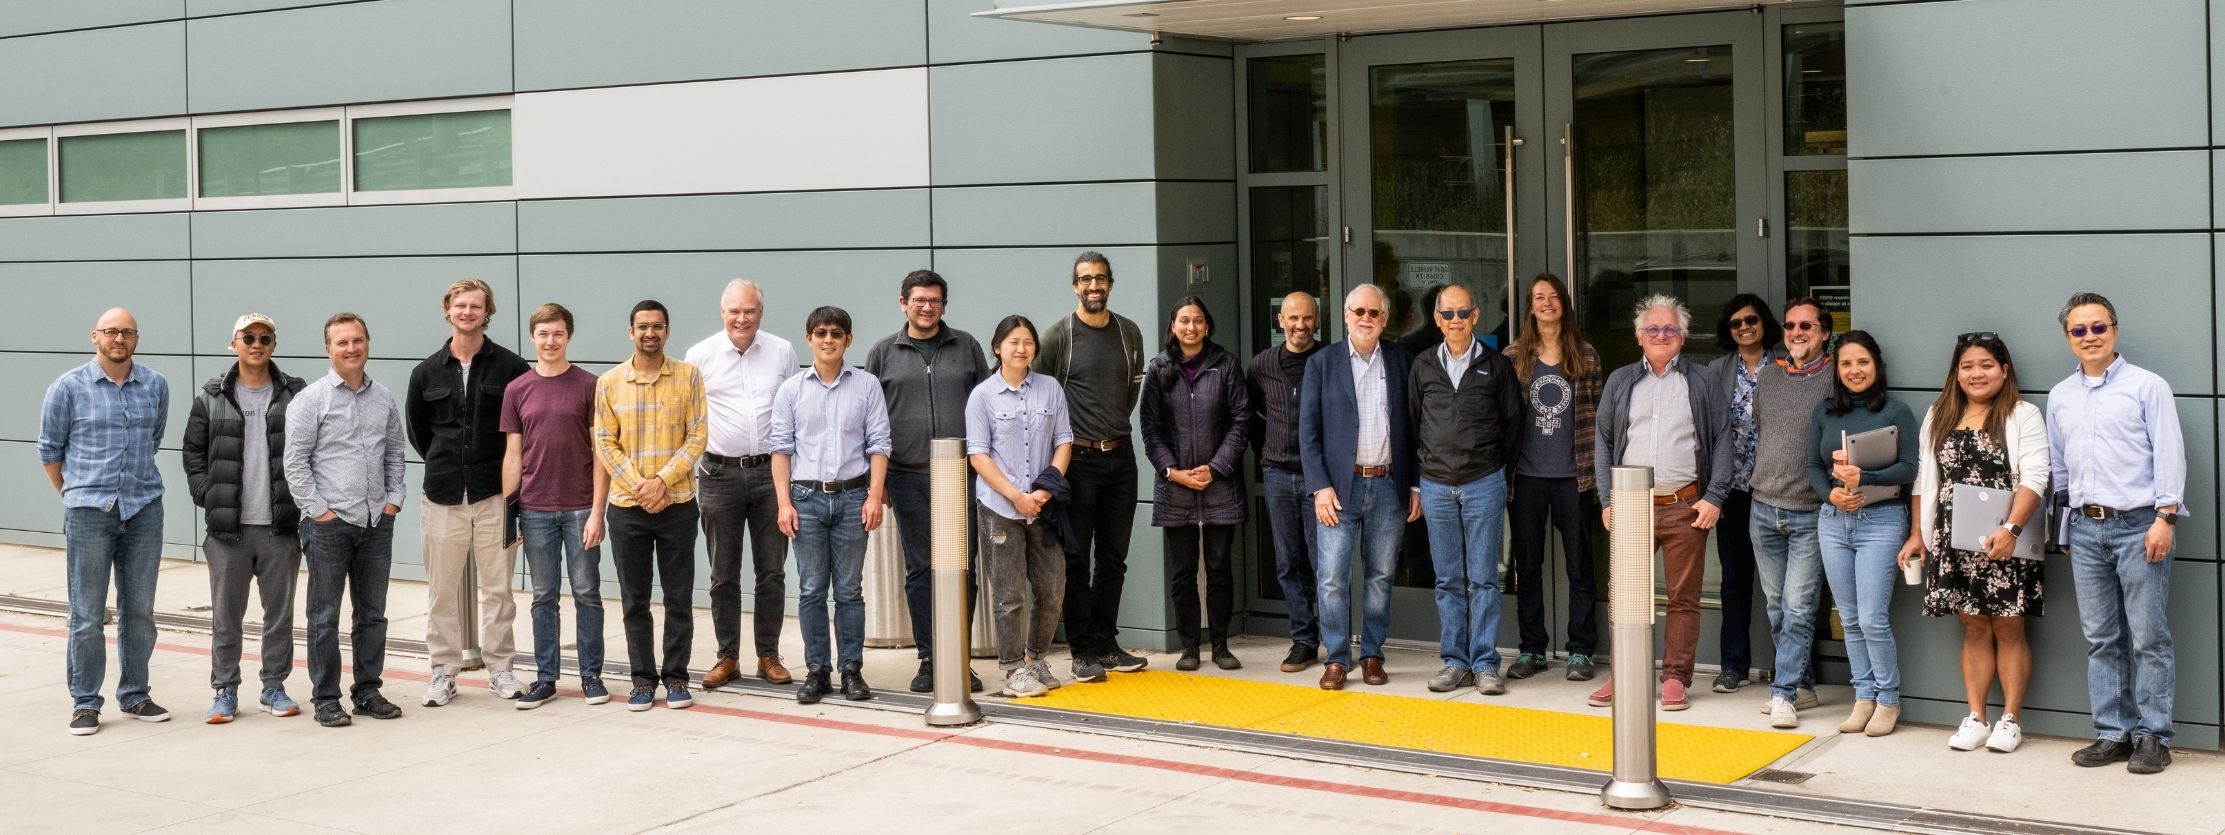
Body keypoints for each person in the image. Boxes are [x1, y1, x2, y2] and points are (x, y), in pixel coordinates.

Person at [2048, 292, 2185, 775]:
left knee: (2149, 638)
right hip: (2085, 528)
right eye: (2079, 330)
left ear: (2115, 330)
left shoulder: (2148, 387)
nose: (2090, 337)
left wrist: (2165, 518)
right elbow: (2060, 470)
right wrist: (2064, 527)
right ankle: (2113, 733)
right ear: (2068, 338)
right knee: (2101, 638)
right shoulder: (2060, 395)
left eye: (2098, 327)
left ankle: (2153, 737)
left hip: (2139, 525)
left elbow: (2169, 453)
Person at [1903, 332, 2047, 753]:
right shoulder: (1940, 414)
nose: (1976, 373)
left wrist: (2012, 529)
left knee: (2009, 625)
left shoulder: (2023, 414)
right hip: (1954, 538)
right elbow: (1924, 480)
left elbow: (2036, 476)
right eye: (1967, 366)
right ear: (1956, 373)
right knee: (1972, 625)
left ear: (2004, 371)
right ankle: (1977, 717)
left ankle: (2010, 720)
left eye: (1986, 364)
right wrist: (1918, 534)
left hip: (2007, 536)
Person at [1586, 295, 1731, 712]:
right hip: (1631, 504)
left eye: (1670, 329)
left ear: (1682, 338)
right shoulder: (1620, 381)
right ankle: (1626, 672)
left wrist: (1714, 496)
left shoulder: (1701, 381)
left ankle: (1675, 678)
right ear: (1639, 338)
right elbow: (1604, 442)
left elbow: (1722, 439)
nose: (1662, 335)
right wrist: (1607, 498)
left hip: (1685, 503)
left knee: (1684, 596)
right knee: (1624, 593)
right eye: (1653, 329)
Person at [41, 308, 171, 736]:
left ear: (136, 338)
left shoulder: (155, 385)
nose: (120, 339)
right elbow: (50, 451)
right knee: (86, 614)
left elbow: (154, 440)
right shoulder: (67, 388)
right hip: (89, 514)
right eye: (112, 332)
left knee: (140, 611)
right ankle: (85, 701)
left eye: (128, 332)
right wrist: (77, 494)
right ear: (95, 336)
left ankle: (134, 694)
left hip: (143, 509)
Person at [406, 278, 531, 707]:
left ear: (486, 312)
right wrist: (450, 464)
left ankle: (501, 669)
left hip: (495, 496)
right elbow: (420, 434)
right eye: (460, 305)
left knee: (498, 590)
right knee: (441, 591)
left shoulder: (512, 368)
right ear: (448, 310)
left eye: (475, 306)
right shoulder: (425, 372)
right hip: (442, 496)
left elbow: (524, 432)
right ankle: (443, 672)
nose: (467, 312)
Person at [864, 269, 990, 693]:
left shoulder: (967, 347)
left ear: (944, 306)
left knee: (961, 568)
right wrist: (875, 483)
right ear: (903, 303)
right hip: (907, 476)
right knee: (921, 570)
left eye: (934, 301)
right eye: (918, 300)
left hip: (961, 476)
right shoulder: (883, 353)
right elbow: (871, 422)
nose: (926, 307)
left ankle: (959, 655)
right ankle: (930, 657)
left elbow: (986, 408)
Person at [284, 312, 408, 728]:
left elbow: (394, 453)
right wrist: (320, 511)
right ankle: (325, 698)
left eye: (357, 340)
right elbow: (295, 463)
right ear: (328, 350)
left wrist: (393, 501)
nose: (351, 348)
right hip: (328, 525)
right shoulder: (311, 400)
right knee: (324, 616)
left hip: (377, 522)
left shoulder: (383, 398)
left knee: (372, 613)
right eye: (342, 343)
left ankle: (368, 691)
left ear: (367, 344)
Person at [184, 313, 307, 724]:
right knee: (226, 615)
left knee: (279, 616)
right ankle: (225, 690)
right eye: (248, 337)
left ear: (274, 344)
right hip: (227, 532)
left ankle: (273, 687)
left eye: (265, 338)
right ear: (233, 343)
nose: (257, 344)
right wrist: (207, 494)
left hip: (280, 527)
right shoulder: (210, 398)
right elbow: (193, 455)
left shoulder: (295, 395)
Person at [1034, 251, 1148, 681]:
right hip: (1077, 461)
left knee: (1114, 558)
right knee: (1077, 559)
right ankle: (1082, 651)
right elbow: (1040, 394)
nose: (1094, 286)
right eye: (1086, 279)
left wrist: (1111, 432)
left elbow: (1129, 394)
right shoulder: (1057, 336)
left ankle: (1106, 643)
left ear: (1111, 284)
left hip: (1120, 456)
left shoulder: (1128, 332)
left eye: (1101, 279)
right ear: (1075, 286)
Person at [1299, 283, 1419, 691]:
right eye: (1358, 311)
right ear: (1345, 316)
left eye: (1374, 313)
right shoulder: (1322, 363)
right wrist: (1319, 487)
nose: (1365, 319)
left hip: (1387, 485)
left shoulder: (1403, 363)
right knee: (1331, 577)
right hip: (1337, 489)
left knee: (1380, 576)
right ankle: (1335, 658)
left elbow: (1417, 430)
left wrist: (1415, 485)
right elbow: (1308, 432)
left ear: (1384, 319)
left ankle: (1371, 655)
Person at [771, 306, 892, 704]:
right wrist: (783, 503)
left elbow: (879, 444)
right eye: (820, 333)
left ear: (848, 340)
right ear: (809, 339)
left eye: (836, 334)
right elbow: (781, 449)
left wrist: (875, 495)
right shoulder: (791, 389)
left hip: (853, 497)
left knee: (849, 591)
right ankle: (817, 671)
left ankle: (852, 670)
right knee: (810, 590)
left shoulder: (867, 385)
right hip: (805, 499)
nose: (828, 340)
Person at [595, 300, 710, 712]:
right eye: (642, 327)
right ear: (631, 332)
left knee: (679, 598)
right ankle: (642, 681)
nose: (650, 333)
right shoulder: (609, 383)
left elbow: (697, 437)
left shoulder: (689, 377)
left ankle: (677, 677)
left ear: (667, 331)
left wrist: (661, 482)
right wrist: (640, 485)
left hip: (677, 504)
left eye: (657, 327)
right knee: (634, 599)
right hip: (627, 508)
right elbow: (605, 442)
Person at [687, 279, 799, 689]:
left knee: (772, 570)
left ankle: (768, 655)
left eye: (749, 311)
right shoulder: (699, 356)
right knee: (723, 572)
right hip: (718, 475)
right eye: (734, 311)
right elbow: (691, 417)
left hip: (772, 475)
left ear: (760, 313)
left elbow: (792, 412)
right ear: (722, 313)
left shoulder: (782, 351)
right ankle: (727, 656)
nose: (741, 318)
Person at [1411, 284, 1522, 695]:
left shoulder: (1496, 366)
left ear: (1475, 315)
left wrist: (1498, 471)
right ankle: (1455, 662)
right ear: (1437, 319)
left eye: (1462, 313)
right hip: (1437, 485)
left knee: (1484, 580)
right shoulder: (1423, 365)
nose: (1455, 321)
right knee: (1448, 580)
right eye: (1447, 314)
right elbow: (1412, 423)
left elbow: (1514, 424)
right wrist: (1418, 483)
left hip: (1483, 483)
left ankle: (1487, 663)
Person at [500, 303, 611, 709]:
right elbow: (513, 456)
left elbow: (602, 454)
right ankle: (546, 677)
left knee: (587, 593)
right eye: (544, 334)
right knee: (543, 595)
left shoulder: (589, 385)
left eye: (558, 334)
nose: (551, 341)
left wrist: (599, 511)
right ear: (533, 337)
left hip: (581, 507)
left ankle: (591, 675)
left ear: (569, 337)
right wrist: (509, 519)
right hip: (535, 509)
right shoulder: (518, 390)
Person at [1806, 331, 1918, 735]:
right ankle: (1864, 697)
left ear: (1877, 365)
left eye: (1863, 362)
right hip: (1833, 523)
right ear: (1837, 370)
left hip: (1882, 521)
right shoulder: (1823, 411)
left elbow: (1908, 468)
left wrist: (1864, 477)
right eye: (1846, 364)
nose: (1855, 370)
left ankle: (1888, 700)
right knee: (1849, 618)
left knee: (1872, 618)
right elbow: (1813, 468)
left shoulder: (1896, 411)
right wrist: (1831, 494)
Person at [1501, 274, 1604, 683]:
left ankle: (1580, 650)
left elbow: (1601, 421)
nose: (1546, 303)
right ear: (1529, 306)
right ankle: (1532, 649)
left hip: (1574, 477)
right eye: (1538, 297)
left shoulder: (1587, 356)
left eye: (1553, 296)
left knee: (1580, 567)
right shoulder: (1512, 357)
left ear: (1564, 303)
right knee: (1527, 567)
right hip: (1524, 477)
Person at [967, 315, 1075, 697]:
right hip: (1000, 506)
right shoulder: (982, 395)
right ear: (997, 347)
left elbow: (1064, 442)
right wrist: (1016, 495)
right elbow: (978, 455)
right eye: (1013, 341)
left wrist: (1044, 491)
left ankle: (1035, 658)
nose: (1021, 348)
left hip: (1044, 506)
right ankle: (1013, 670)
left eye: (1028, 341)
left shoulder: (1050, 390)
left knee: (1052, 587)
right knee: (1009, 594)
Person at [1141, 296, 1250, 672]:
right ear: (1173, 325)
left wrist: (1216, 467)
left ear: (1208, 326)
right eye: (1184, 320)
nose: (1191, 327)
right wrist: (1172, 471)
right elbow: (1149, 429)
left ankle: (1220, 645)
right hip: (1175, 486)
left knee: (1219, 568)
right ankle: (1190, 647)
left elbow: (1241, 421)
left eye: (1198, 320)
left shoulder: (1225, 364)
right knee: (1183, 571)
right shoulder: (1158, 368)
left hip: (1220, 483)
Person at [1749, 297, 1835, 726]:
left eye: (1806, 326)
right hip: (1763, 507)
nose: (1797, 333)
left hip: (1810, 511)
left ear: (1824, 333)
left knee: (1799, 607)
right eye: (1790, 326)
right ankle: (1802, 684)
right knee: (1776, 607)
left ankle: (1782, 694)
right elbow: (1763, 429)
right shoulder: (1768, 377)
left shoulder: (1838, 378)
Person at [1704, 293, 1781, 694]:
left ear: (1764, 323)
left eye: (1751, 320)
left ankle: (1790, 670)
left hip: (1776, 489)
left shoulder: (1785, 365)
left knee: (1781, 585)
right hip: (1731, 491)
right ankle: (1733, 665)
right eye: (1736, 323)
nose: (1744, 327)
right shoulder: (1717, 370)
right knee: (1735, 579)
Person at [1248, 292, 1325, 673]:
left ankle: (1336, 639)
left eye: (1307, 318)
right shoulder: (1262, 364)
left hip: (1320, 478)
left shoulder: (1330, 360)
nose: (1300, 325)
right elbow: (1250, 417)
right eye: (1293, 318)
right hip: (1278, 474)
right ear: (1280, 320)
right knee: (1287, 562)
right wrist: (1265, 456)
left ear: (1317, 319)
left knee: (1323, 561)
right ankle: (1304, 640)